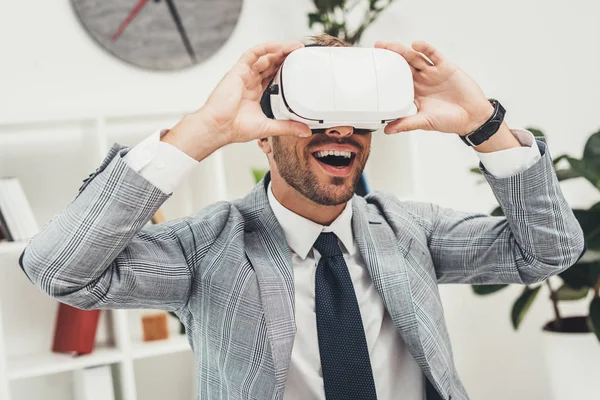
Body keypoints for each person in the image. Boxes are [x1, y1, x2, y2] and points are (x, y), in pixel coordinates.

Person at [19, 34, 584, 400]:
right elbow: (60, 270)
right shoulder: (206, 248)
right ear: (264, 139)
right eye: (316, 114)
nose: (339, 131)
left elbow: (548, 250)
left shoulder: (408, 229)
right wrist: (200, 132)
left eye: (355, 116)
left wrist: (483, 123)